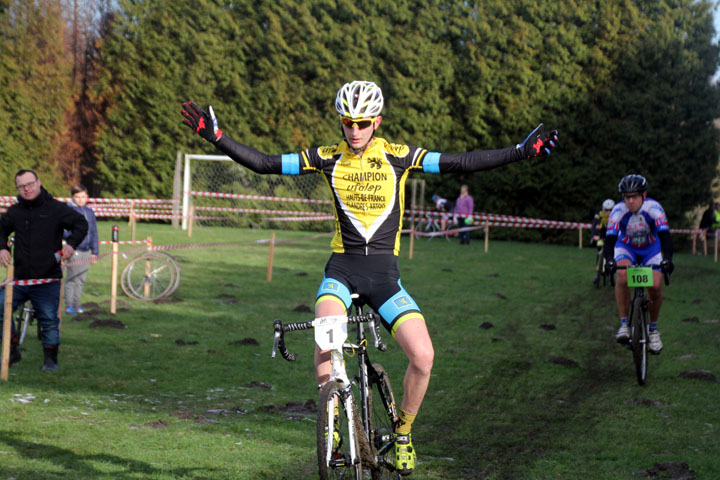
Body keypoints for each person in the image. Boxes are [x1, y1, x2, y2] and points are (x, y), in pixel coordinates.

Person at [181, 80, 558, 475]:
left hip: (384, 278)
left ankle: (404, 432)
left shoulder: (400, 157)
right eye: (347, 122)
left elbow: (460, 163)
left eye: (362, 122)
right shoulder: (325, 157)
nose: (354, 130)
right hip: (341, 271)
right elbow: (264, 163)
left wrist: (518, 152)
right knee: (326, 333)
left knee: (424, 356)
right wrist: (217, 136)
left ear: (376, 121)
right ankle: (332, 419)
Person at [0, 170, 88, 371]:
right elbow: (1, 229)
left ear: (39, 182)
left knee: (48, 320)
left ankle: (50, 360)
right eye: (21, 186)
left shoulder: (56, 208)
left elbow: (80, 225)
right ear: (17, 189)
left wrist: (71, 244)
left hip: (48, 278)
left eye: (30, 184)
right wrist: (2, 247)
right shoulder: (14, 211)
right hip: (19, 280)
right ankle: (12, 349)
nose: (27, 189)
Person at [603, 174, 674, 354]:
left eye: (635, 196)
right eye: (627, 197)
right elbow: (610, 240)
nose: (631, 201)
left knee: (655, 286)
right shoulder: (618, 211)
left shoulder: (654, 208)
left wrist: (668, 260)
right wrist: (609, 260)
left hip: (651, 248)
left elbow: (666, 238)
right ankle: (624, 324)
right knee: (622, 275)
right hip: (627, 247)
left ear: (644, 195)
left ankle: (653, 329)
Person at [63, 184, 99, 315]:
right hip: (74, 250)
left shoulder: (90, 213)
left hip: (86, 251)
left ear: (87, 197)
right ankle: (69, 306)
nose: (80, 200)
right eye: (77, 197)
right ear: (72, 198)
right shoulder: (69, 212)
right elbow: (62, 230)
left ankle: (77, 305)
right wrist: (71, 238)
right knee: (72, 279)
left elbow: (94, 232)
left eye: (82, 197)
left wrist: (95, 252)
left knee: (81, 280)